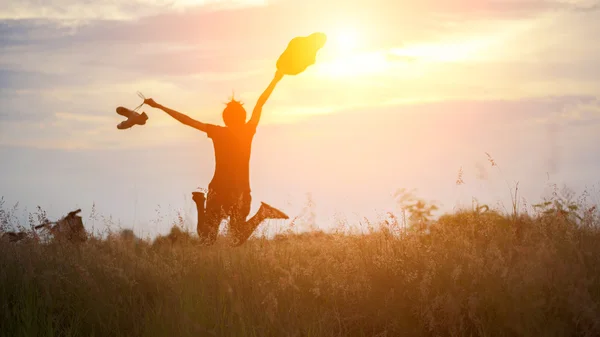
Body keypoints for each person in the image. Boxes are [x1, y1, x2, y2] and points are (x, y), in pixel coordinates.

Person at [143, 71, 289, 246]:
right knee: (235, 238)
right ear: (242, 117)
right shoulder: (247, 131)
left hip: (219, 190)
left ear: (225, 118)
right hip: (240, 191)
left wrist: (159, 106)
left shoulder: (218, 132)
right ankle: (262, 214)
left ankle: (200, 202)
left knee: (207, 237)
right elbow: (260, 102)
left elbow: (186, 120)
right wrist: (276, 78)